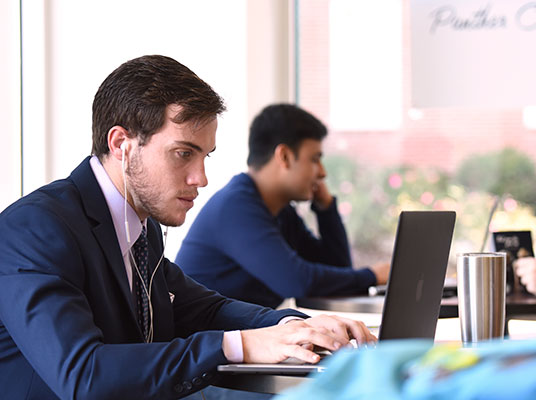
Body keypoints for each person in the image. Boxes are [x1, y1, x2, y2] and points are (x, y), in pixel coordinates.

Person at [0, 55, 376, 400]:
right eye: (183, 154)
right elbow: (83, 375)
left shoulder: (139, 228)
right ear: (122, 144)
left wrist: (302, 327)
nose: (201, 178)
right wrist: (239, 345)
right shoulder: (35, 228)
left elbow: (206, 309)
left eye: (204, 156)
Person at [176, 104, 390, 308]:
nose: (322, 172)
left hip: (240, 341)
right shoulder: (235, 207)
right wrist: (373, 275)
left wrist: (326, 209)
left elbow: (338, 269)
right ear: (285, 156)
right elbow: (297, 281)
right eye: (314, 159)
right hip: (202, 343)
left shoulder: (280, 211)